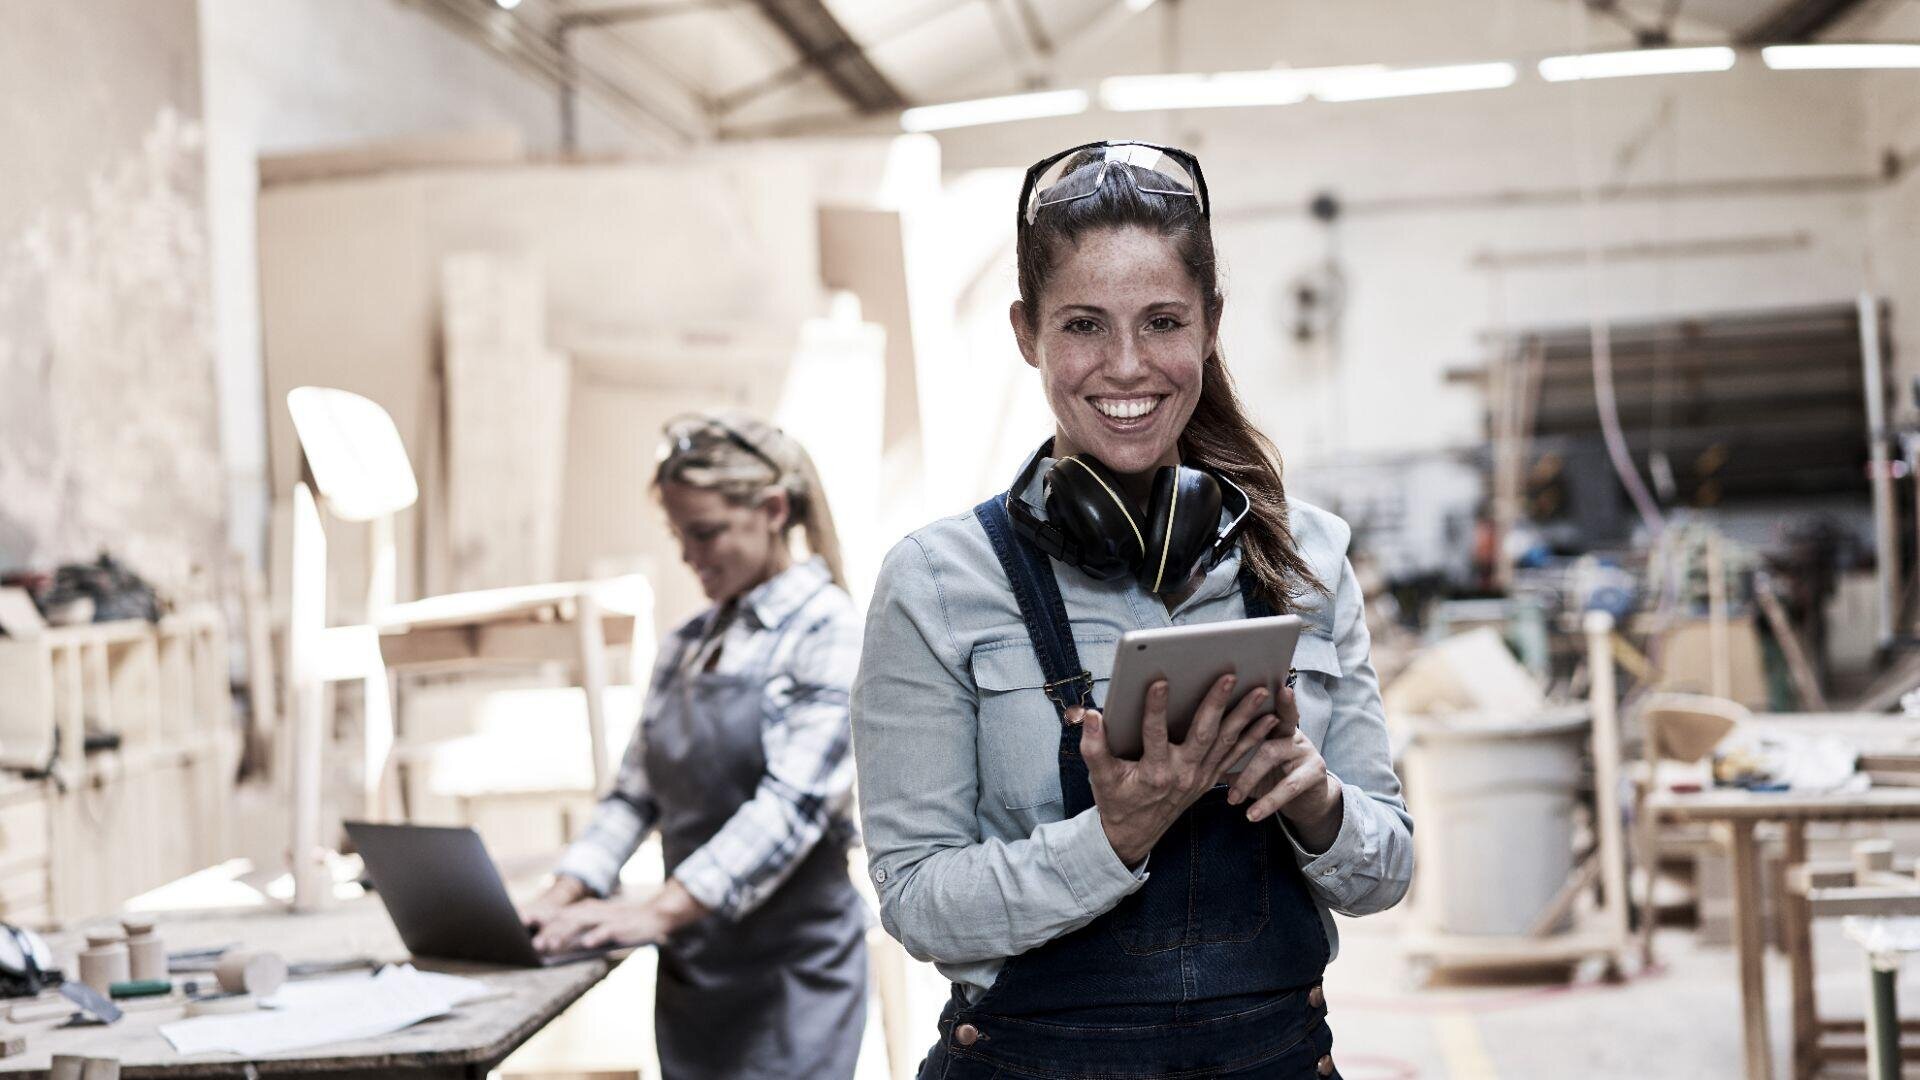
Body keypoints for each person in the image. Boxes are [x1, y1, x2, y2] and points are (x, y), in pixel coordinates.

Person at [851, 142, 1413, 1080]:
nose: (1125, 366)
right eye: (1082, 325)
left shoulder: (1305, 557)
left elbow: (1386, 868)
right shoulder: (936, 583)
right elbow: (916, 900)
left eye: (1162, 322)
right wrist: (1112, 838)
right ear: (1027, 332)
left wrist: (1316, 800)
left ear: (1211, 326)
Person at [525, 412, 867, 1080]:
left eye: (704, 532)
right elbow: (633, 794)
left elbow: (789, 809)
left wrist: (656, 909)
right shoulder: (686, 643)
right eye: (679, 535)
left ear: (771, 510)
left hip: (791, 980)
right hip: (695, 974)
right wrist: (560, 894)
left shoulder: (829, 631)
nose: (687, 555)